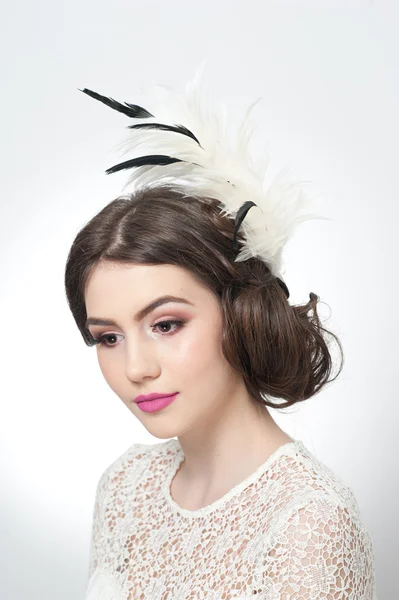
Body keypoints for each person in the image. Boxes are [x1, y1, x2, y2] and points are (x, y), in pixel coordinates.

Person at [65, 66, 378, 599]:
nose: (136, 367)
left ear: (240, 311)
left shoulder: (308, 526)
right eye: (108, 337)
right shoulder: (123, 487)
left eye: (166, 324)